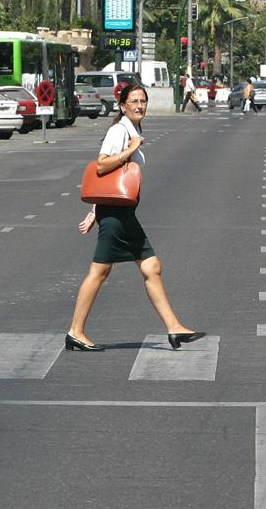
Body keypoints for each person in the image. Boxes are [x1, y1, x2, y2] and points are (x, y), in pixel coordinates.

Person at [67, 84, 204, 352]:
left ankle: (174, 327)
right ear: (122, 106)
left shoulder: (133, 130)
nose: (140, 106)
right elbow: (103, 164)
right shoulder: (119, 131)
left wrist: (95, 210)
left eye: (143, 101)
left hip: (122, 212)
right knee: (99, 272)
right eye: (134, 101)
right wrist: (131, 149)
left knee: (151, 267)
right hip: (116, 216)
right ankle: (76, 331)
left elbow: (112, 180)